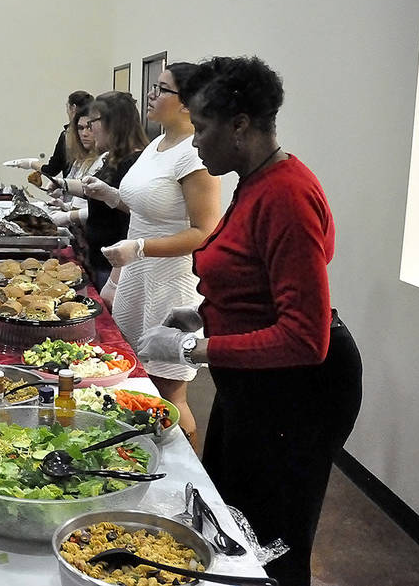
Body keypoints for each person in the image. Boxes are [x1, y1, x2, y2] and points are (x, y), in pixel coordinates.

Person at [136, 56, 362, 586]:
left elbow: (304, 338)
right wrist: (204, 314)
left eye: (203, 128)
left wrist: (197, 350)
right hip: (258, 384)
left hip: (298, 391)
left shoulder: (287, 194)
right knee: (232, 519)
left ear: (240, 125)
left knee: (272, 541)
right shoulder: (255, 180)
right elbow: (256, 280)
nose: (195, 143)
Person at [84, 63, 221, 448]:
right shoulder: (157, 144)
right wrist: (112, 197)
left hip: (171, 284)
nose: (150, 94)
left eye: (162, 89)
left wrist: (142, 247)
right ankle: (143, 457)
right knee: (136, 379)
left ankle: (187, 475)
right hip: (137, 276)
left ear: (187, 103)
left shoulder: (194, 154)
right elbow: (150, 209)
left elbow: (204, 231)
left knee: (169, 392)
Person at [56, 94, 147, 289]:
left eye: (92, 123)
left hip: (114, 264)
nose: (89, 131)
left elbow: (135, 213)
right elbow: (95, 192)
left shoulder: (134, 162)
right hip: (100, 258)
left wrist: (70, 215)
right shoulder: (112, 157)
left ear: (112, 123)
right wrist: (62, 184)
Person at [8, 90, 93, 177]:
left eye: (89, 127)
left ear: (73, 108)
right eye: (80, 128)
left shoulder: (67, 136)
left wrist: (31, 163)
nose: (84, 134)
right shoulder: (70, 136)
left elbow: (52, 170)